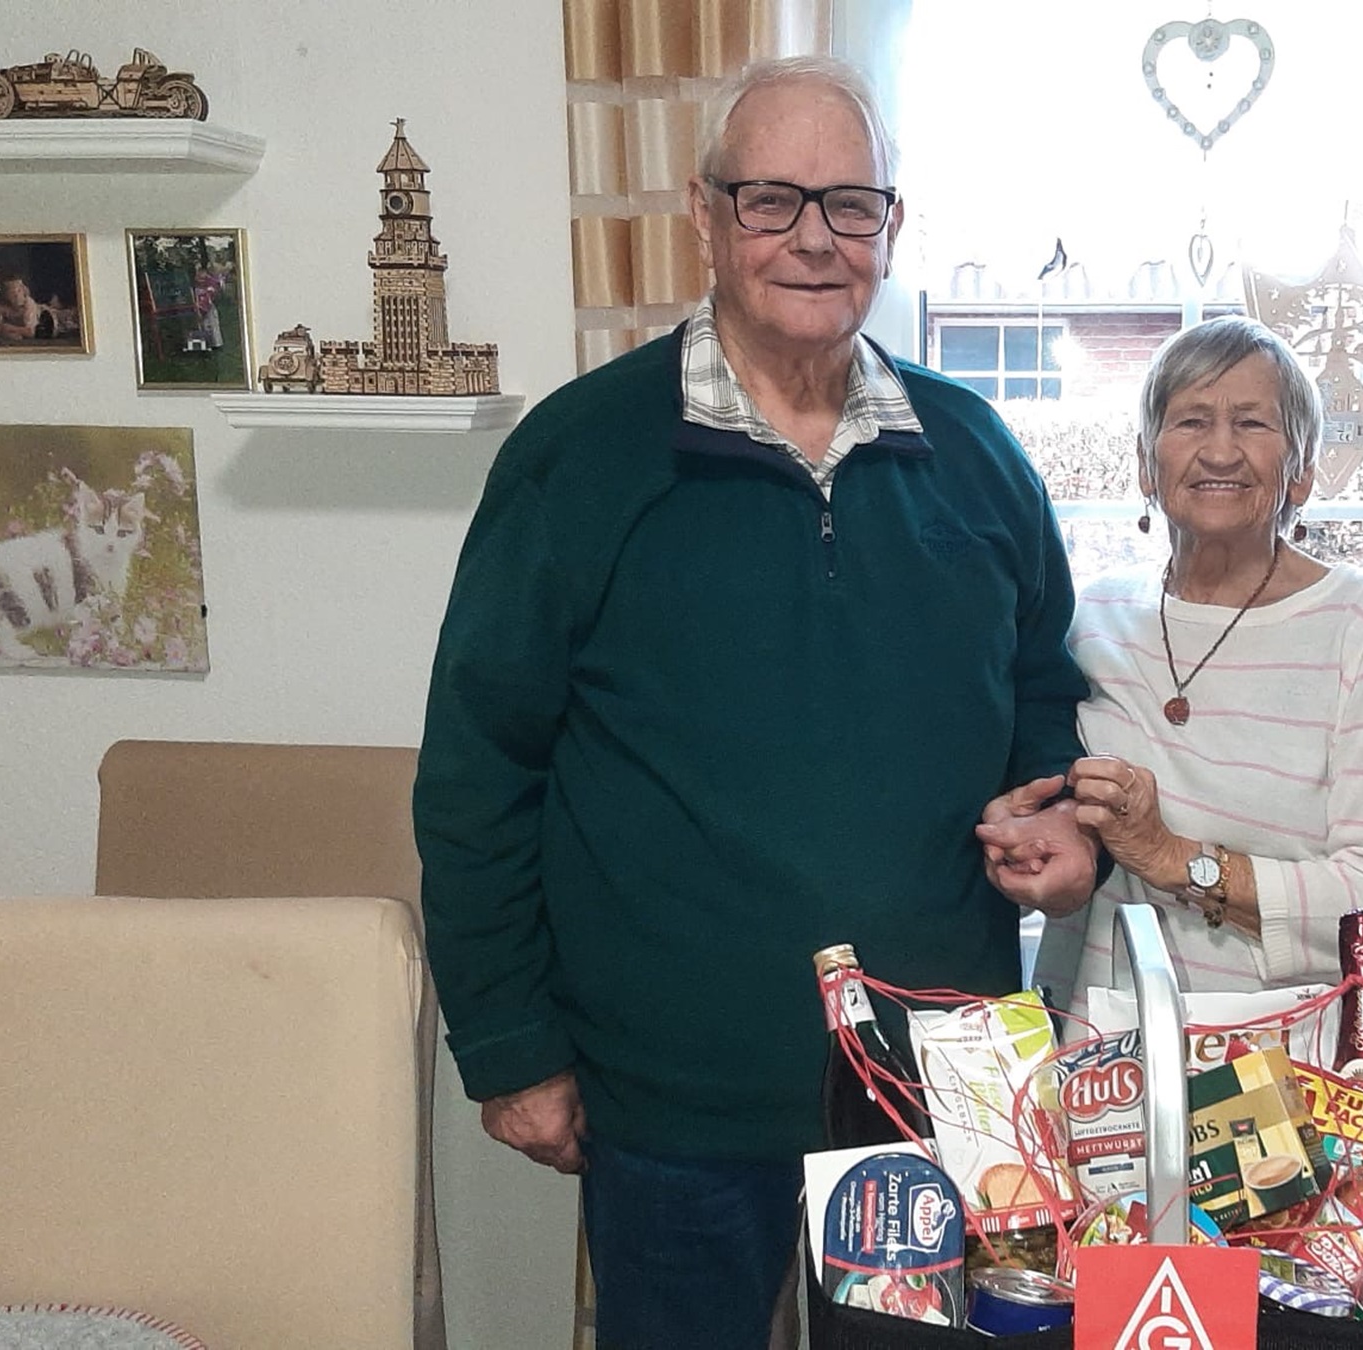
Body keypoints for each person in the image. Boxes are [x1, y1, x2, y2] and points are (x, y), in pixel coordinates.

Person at [412, 55, 1097, 1350]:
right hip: (670, 1093)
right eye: (771, 200)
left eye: (850, 204)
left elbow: (1046, 699)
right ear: (705, 214)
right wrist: (508, 1042)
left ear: (892, 226)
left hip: (936, 1085)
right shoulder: (579, 455)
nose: (813, 238)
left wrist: (1066, 825)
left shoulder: (978, 457)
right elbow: (478, 772)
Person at [1026, 316, 1363, 1008]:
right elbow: (1062, 835)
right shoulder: (1090, 618)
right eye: (1190, 422)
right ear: (1145, 465)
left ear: (1302, 469)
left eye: (1253, 424)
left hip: (1289, 1066)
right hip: (1104, 1056)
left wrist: (1169, 856)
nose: (1220, 451)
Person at [0, 276, 45, 341]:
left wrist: (10, 328)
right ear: (5, 294)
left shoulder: (29, 304)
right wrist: (5, 332)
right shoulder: (1, 305)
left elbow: (32, 332)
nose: (16, 295)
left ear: (24, 291)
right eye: (11, 292)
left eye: (19, 291)